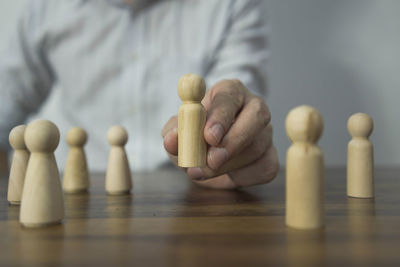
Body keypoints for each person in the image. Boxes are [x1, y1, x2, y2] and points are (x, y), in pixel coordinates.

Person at [0, 0, 279, 189]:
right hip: (76, 192)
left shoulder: (230, 6)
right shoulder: (46, 8)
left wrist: (234, 137)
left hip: (192, 196)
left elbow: (232, 98)